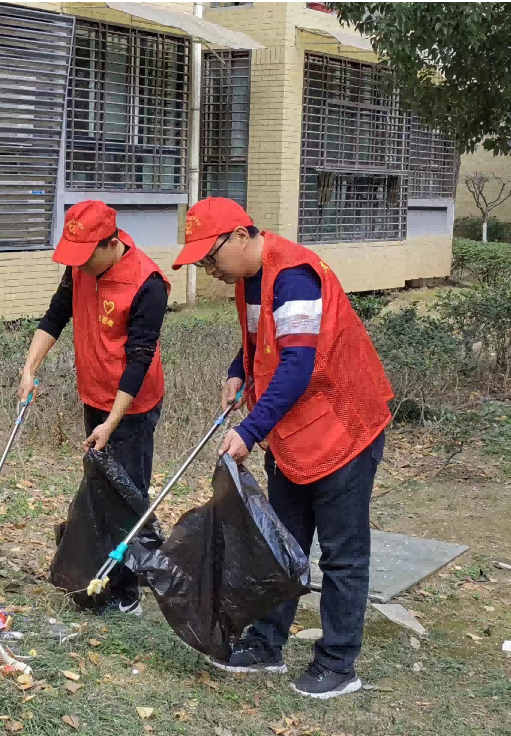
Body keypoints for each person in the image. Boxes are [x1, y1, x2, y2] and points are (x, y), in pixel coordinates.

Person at [172, 197, 393, 699]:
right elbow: (260, 338)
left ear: (242, 237)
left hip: (343, 424)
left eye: (211, 257)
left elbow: (296, 364)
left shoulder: (294, 276)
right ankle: (267, 643)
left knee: (341, 553)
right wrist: (237, 371)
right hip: (296, 431)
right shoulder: (253, 278)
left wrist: (248, 431)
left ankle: (339, 662)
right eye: (202, 262)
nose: (210, 269)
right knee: (280, 542)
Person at [21, 200, 170, 615]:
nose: (79, 266)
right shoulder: (80, 268)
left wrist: (111, 423)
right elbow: (54, 317)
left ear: (110, 243)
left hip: (133, 407)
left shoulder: (147, 284)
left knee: (127, 495)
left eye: (85, 257)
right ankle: (96, 577)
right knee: (100, 491)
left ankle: (126, 594)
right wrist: (29, 369)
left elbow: (139, 361)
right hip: (94, 394)